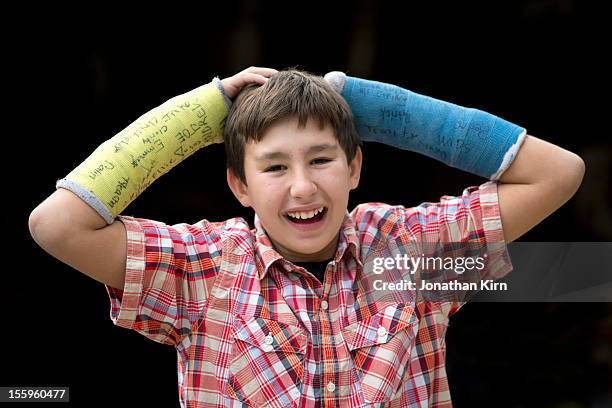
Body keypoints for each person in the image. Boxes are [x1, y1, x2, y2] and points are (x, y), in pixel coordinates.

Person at [28, 66, 585, 407]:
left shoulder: (411, 253)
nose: (302, 187)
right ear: (239, 186)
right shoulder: (203, 270)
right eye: (273, 168)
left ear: (355, 168)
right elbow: (55, 225)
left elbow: (558, 172)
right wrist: (204, 111)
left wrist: (373, 105)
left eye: (322, 159)